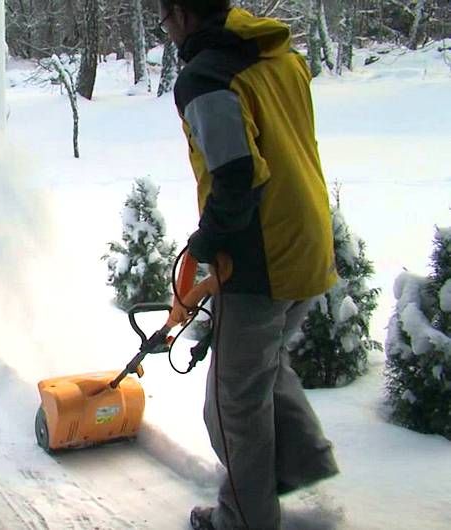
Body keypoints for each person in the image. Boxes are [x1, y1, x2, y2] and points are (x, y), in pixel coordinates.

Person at [158, 1, 340, 529]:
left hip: (262, 258)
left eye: (165, 19)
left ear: (185, 15)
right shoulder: (280, 55)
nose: (166, 30)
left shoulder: (205, 77)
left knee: (231, 405)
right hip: (308, 240)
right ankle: (295, 462)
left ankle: (243, 520)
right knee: (264, 367)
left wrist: (206, 241)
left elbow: (237, 174)